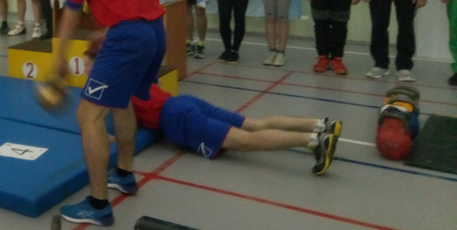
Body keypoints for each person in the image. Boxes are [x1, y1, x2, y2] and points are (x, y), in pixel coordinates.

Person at [55, 0, 165, 227]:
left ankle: (98, 204)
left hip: (126, 40)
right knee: (122, 99)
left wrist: (59, 56)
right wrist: (109, 29)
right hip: (155, 33)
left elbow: (70, 15)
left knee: (88, 116)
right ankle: (125, 174)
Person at [131, 83, 340, 174]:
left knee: (245, 141)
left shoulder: (118, 86)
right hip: (184, 101)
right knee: (256, 124)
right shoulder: (133, 70)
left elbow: (127, 123)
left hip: (177, 117)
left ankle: (315, 141)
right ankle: (322, 125)